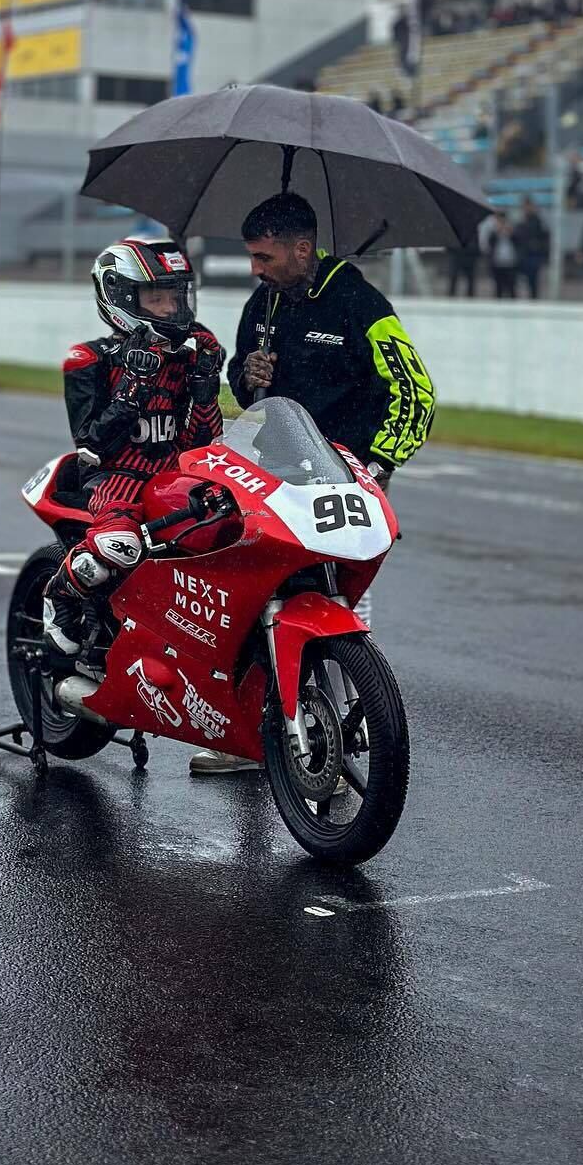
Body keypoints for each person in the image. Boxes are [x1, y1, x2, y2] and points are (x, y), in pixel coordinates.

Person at [215, 192, 435, 774]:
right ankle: (256, 731)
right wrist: (247, 375)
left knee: (340, 607)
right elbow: (245, 391)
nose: (255, 269)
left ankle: (333, 735)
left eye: (264, 257)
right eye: (252, 258)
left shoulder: (361, 303)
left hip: (344, 479)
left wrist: (380, 468)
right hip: (271, 478)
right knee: (257, 596)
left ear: (303, 248)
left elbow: (417, 394)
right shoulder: (262, 305)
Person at [40, 238, 225, 658]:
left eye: (177, 296)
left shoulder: (191, 354)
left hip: (175, 475)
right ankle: (60, 596)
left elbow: (203, 441)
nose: (171, 309)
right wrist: (131, 391)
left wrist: (205, 394)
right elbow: (90, 444)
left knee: (234, 529)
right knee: (119, 544)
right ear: (120, 296)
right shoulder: (88, 359)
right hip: (114, 477)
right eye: (156, 297)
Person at [512, 197, 550, 298]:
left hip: (533, 257)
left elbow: (545, 238)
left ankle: (533, 301)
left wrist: (538, 248)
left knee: (533, 283)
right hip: (522, 256)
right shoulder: (521, 222)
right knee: (520, 282)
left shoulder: (538, 222)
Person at [485, 213, 519, 299]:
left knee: (511, 288)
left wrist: (510, 234)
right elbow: (489, 246)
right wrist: (497, 233)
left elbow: (519, 244)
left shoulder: (513, 232)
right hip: (497, 263)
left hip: (510, 263)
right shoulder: (493, 233)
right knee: (498, 288)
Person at [447, 221, 481, 297]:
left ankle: (470, 297)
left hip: (468, 258)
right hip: (457, 257)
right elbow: (449, 245)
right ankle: (451, 297)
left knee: (470, 280)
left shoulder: (473, 229)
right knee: (454, 278)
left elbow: (476, 245)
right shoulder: (454, 228)